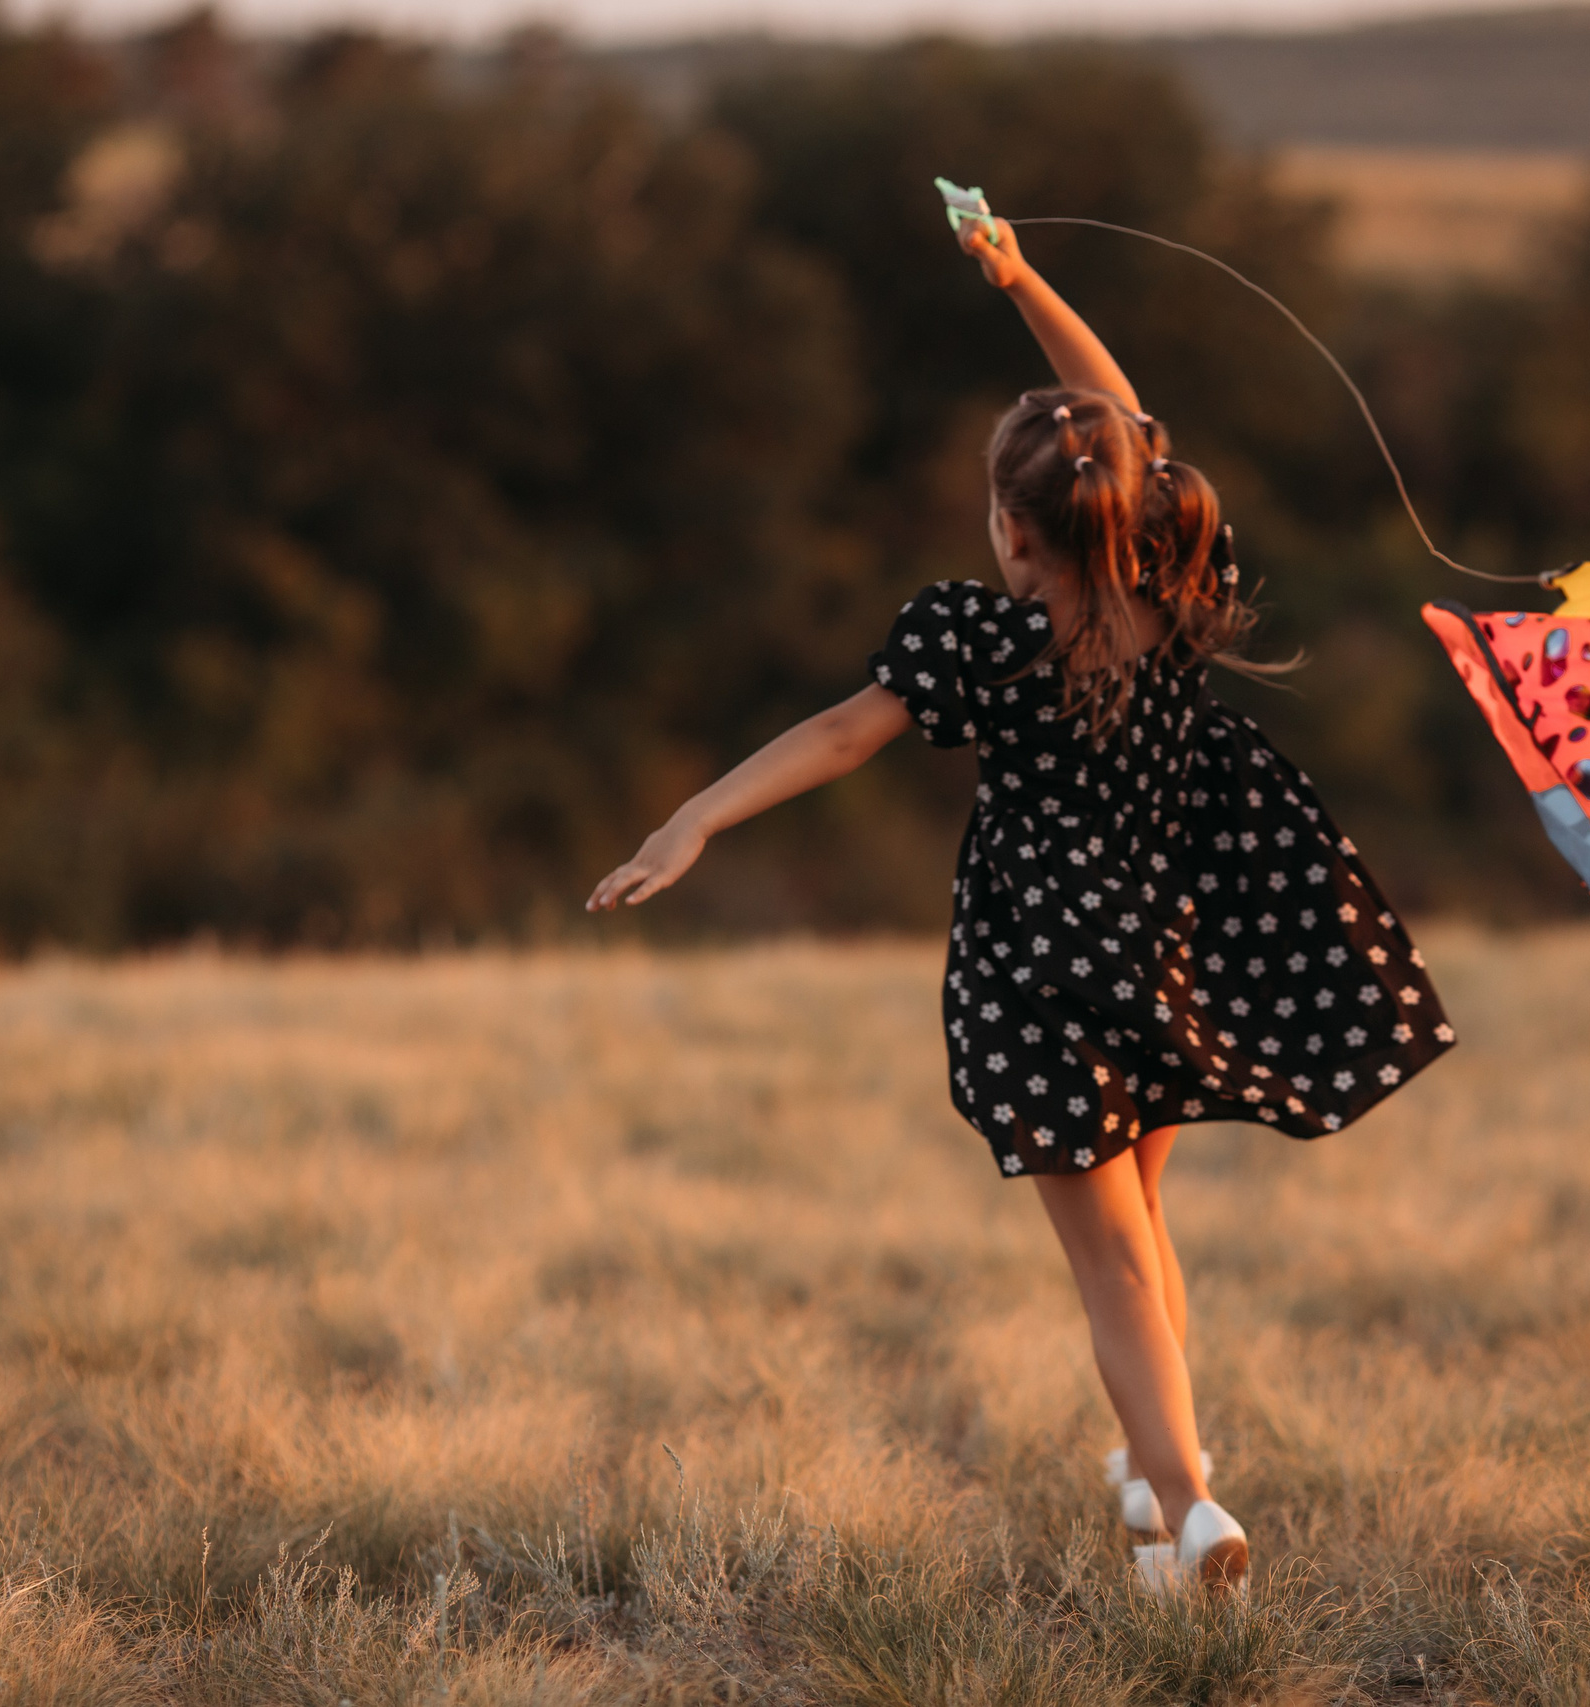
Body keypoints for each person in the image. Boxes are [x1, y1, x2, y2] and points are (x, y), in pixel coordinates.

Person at [587, 209, 1453, 1593]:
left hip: (1042, 971)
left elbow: (835, 738)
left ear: (1008, 523)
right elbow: (1122, 414)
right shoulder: (1176, 577)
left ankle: (1191, 1505)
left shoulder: (978, 639)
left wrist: (693, 818)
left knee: (1108, 1260)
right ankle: (1158, 1490)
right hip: (1175, 944)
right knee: (1145, 1230)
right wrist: (1022, 278)